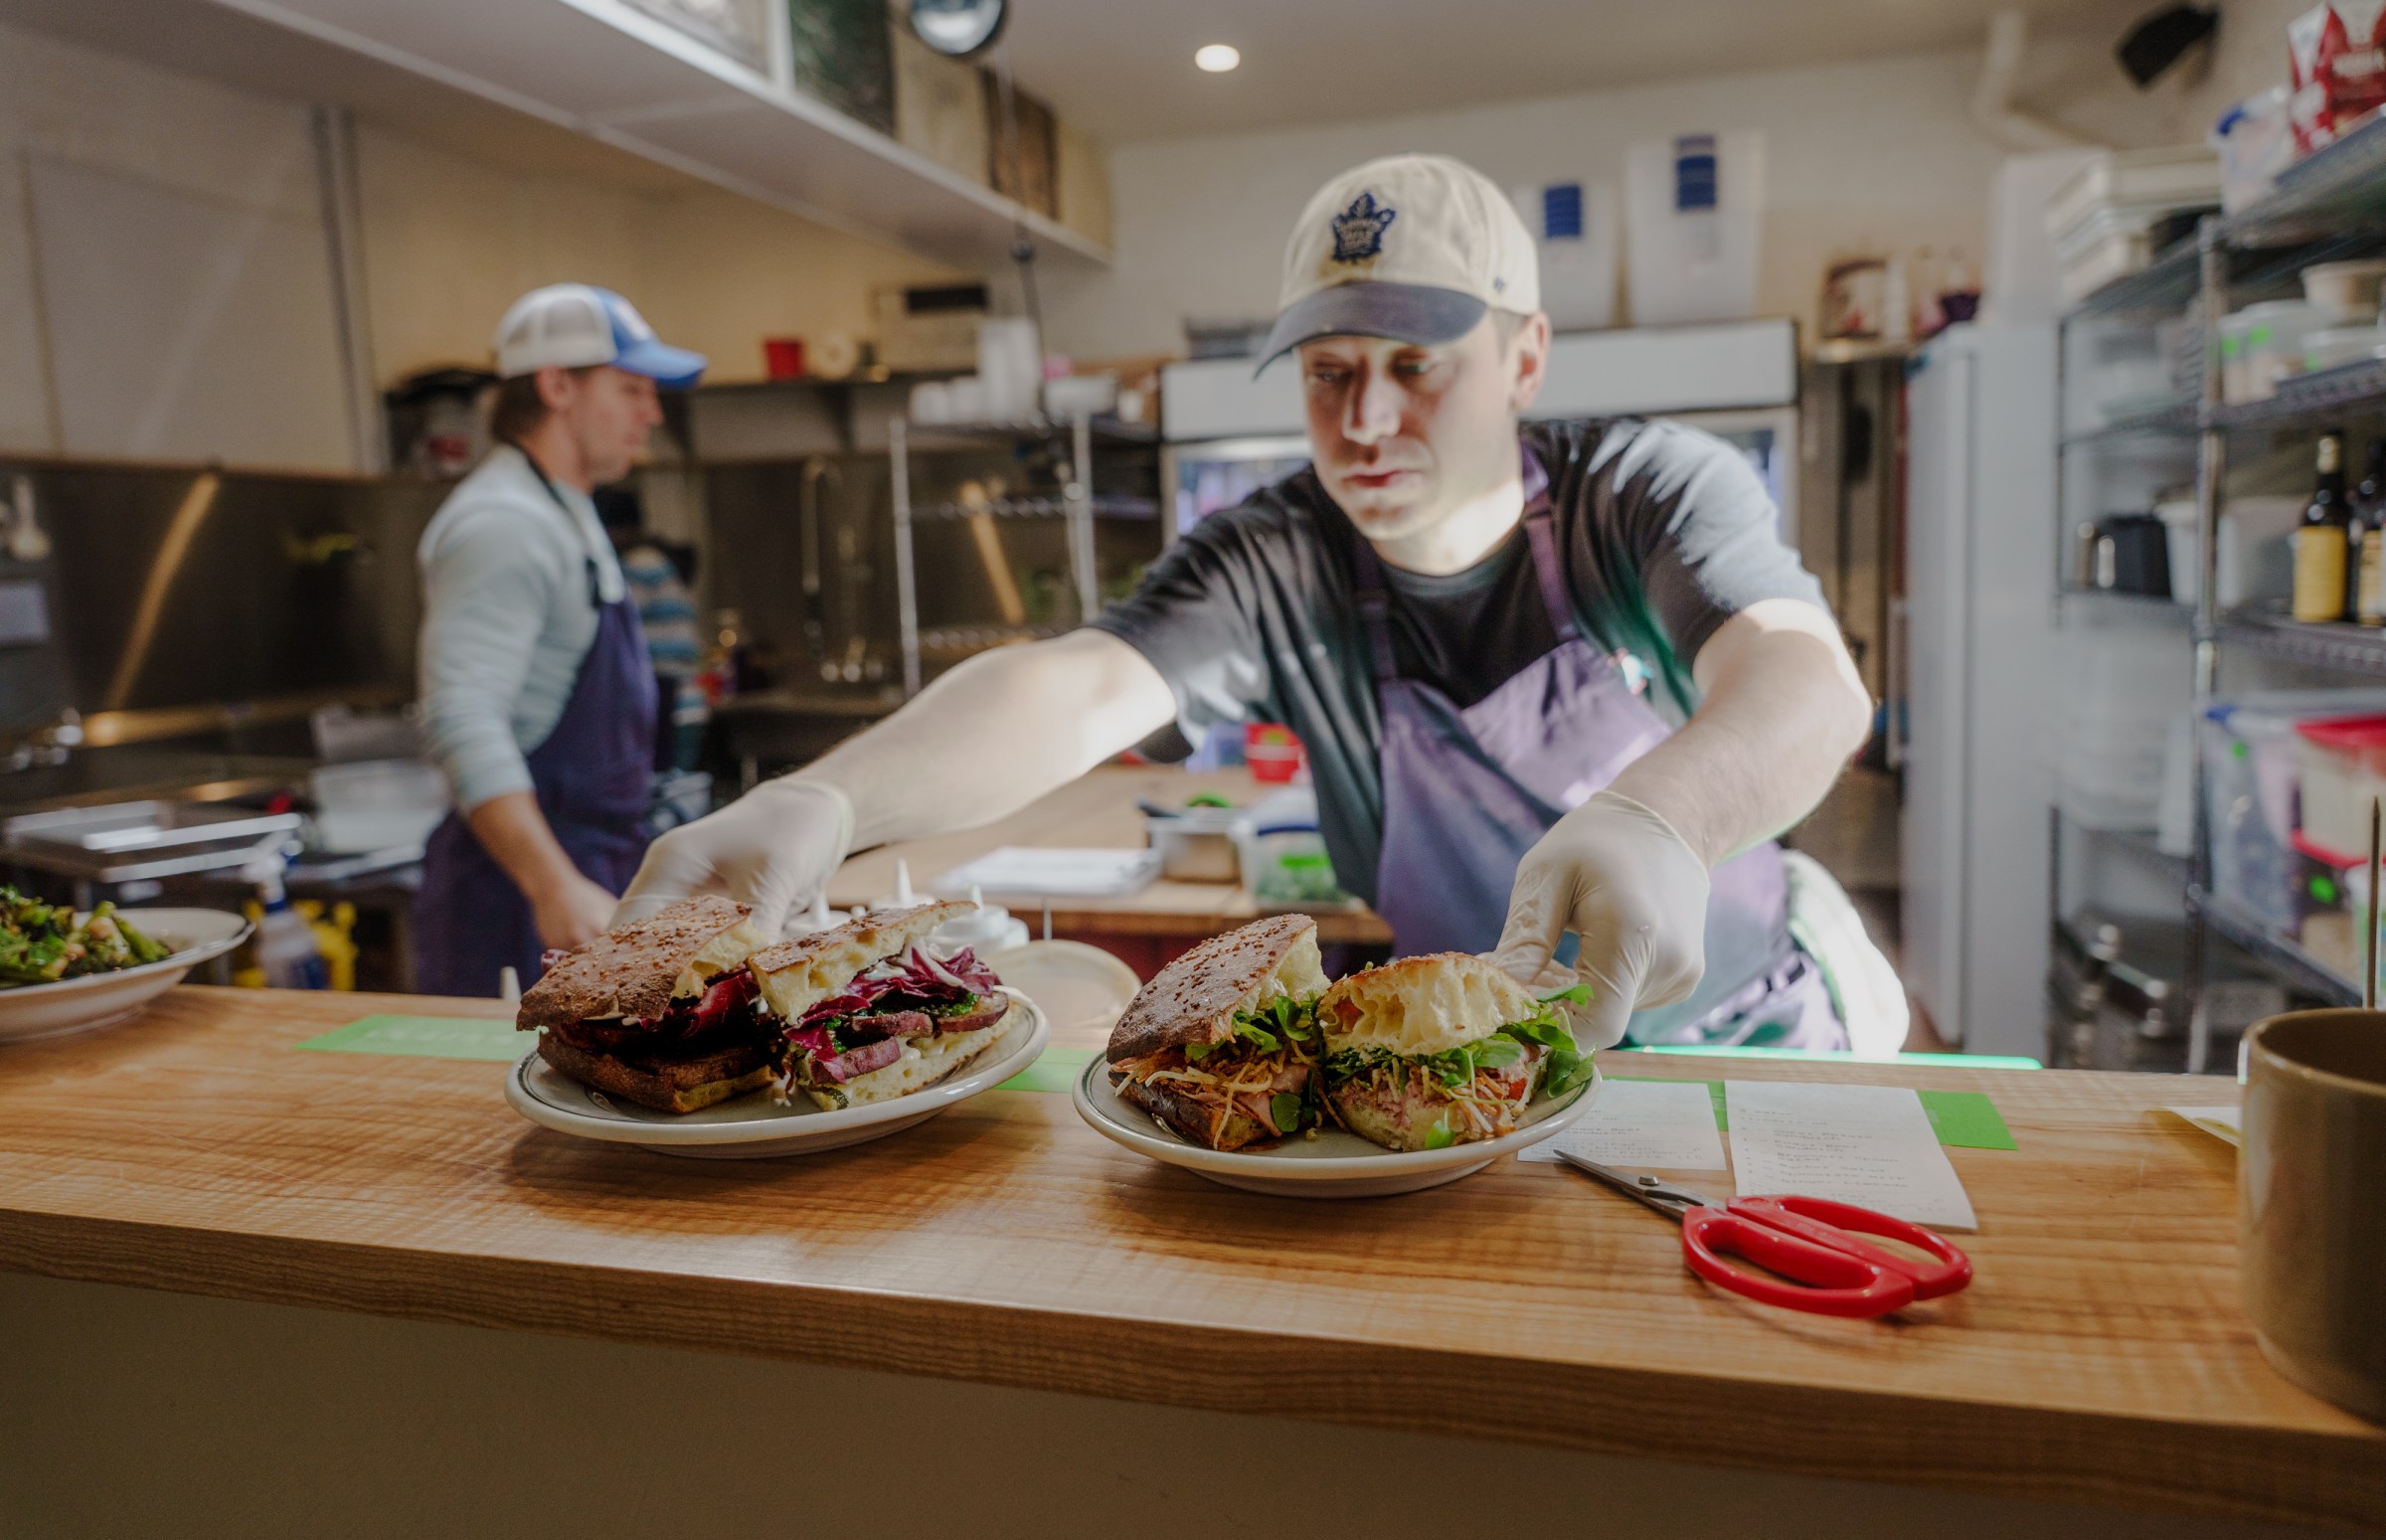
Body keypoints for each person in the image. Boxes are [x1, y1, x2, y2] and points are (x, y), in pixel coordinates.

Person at [619, 155, 1872, 1050]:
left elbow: (1804, 681)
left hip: (1741, 1034)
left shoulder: (1641, 493)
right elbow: (1074, 685)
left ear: (1524, 358)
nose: (1366, 422)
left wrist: (1658, 818)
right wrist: (828, 799)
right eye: (1330, 374)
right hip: (1490, 1060)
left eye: (1414, 368)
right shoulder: (1282, 555)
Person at [412, 284, 706, 997]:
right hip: (521, 900)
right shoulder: (504, 523)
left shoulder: (561, 509)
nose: (652, 413)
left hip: (584, 870)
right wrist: (552, 885)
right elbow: (459, 715)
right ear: (555, 386)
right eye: (632, 389)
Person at [595, 489, 710, 772]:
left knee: (665, 799)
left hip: (670, 707)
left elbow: (608, 627)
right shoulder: (657, 561)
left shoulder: (639, 565)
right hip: (686, 705)